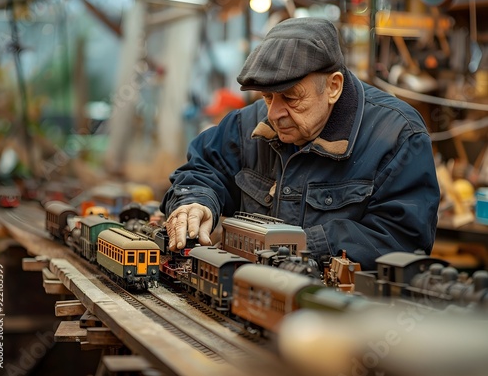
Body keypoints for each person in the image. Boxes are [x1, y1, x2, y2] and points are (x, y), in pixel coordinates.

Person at [160, 17, 440, 270]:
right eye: (267, 97)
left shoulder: (398, 135)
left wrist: (301, 247)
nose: (273, 114)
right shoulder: (247, 125)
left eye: (291, 98)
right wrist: (196, 202)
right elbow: (204, 170)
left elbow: (401, 239)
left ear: (333, 87)